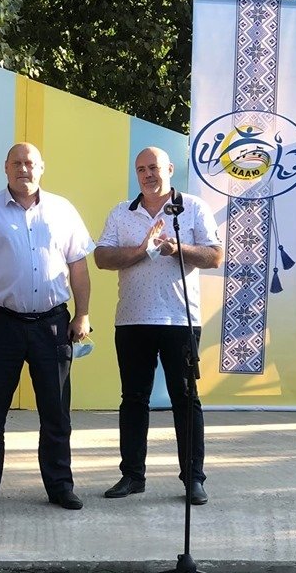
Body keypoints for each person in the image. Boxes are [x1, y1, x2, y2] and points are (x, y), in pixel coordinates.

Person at [0, 142, 92, 511]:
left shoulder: (63, 210)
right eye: (16, 162)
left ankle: (60, 486)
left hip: (52, 323)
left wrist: (83, 313)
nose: (23, 168)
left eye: (30, 162)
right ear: (5, 168)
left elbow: (78, 266)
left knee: (56, 412)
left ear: (41, 167)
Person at [94, 146, 222, 506]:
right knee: (133, 399)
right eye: (141, 169)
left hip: (179, 320)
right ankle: (132, 476)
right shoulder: (122, 212)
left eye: (154, 167)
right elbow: (102, 257)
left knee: (186, 398)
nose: (148, 174)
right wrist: (142, 249)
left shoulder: (191, 208)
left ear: (169, 169)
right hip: (132, 319)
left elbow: (214, 255)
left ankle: (193, 479)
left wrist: (177, 249)